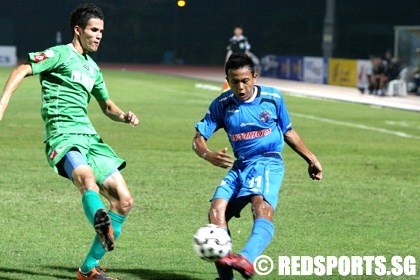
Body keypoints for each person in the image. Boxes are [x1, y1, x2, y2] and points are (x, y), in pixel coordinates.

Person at [0, 3, 139, 280]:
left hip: (90, 138)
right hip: (63, 136)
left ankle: (87, 270)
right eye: (94, 30)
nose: (99, 36)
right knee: (86, 180)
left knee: (124, 201)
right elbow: (22, 69)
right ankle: (101, 222)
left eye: (101, 31)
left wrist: (123, 115)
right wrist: (2, 104)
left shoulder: (93, 68)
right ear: (78, 30)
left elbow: (106, 105)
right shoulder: (59, 54)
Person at [192, 53, 323, 279]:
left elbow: (288, 131)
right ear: (227, 80)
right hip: (240, 166)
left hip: (267, 161)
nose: (240, 87)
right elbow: (197, 139)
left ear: (254, 76)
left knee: (260, 207)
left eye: (245, 80)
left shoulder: (273, 98)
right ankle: (226, 278)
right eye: (234, 82)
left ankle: (247, 258)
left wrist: (311, 159)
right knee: (216, 212)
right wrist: (207, 154)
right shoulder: (222, 104)